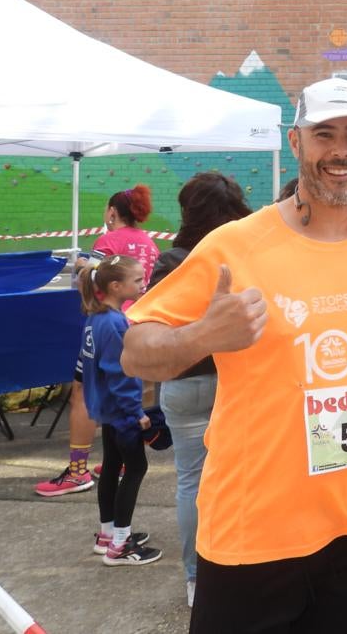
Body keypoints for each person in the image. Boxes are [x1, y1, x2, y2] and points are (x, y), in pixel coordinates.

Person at [121, 77, 347, 634]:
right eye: (324, 135)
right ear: (296, 142)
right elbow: (135, 351)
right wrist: (201, 336)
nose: (340, 151)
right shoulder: (235, 245)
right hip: (252, 535)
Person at [151, 173, 252, 607]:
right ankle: (240, 563)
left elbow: (152, 324)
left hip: (186, 382)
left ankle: (196, 577)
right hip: (238, 381)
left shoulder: (173, 260)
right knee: (244, 477)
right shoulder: (243, 254)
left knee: (192, 480)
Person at [36, 184, 160, 497]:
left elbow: (89, 282)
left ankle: (78, 471)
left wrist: (82, 269)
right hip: (140, 325)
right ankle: (121, 460)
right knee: (131, 393)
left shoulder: (106, 242)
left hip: (106, 325)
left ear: (112, 212)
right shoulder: (150, 243)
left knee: (83, 394)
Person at [77, 254, 163, 566]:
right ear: (115, 286)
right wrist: (136, 412)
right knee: (136, 468)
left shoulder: (96, 318)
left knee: (112, 467)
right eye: (137, 280)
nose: (143, 284)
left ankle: (108, 534)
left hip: (106, 409)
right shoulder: (114, 323)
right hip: (121, 412)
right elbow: (120, 373)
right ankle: (121, 545)